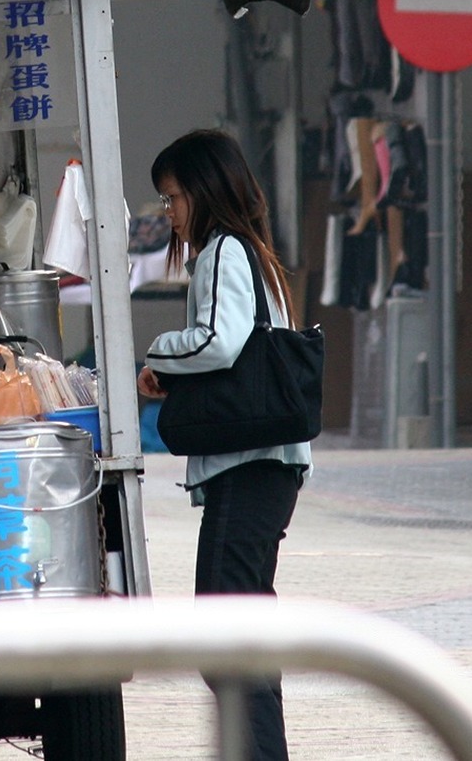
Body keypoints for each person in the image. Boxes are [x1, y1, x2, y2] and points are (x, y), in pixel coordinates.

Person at [135, 128, 312, 761]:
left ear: (204, 191)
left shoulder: (222, 251)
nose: (171, 212)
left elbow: (219, 339)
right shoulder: (252, 252)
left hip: (249, 466)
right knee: (240, 631)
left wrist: (157, 354)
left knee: (226, 634)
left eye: (174, 197)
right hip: (267, 465)